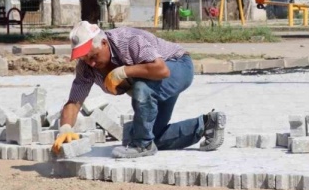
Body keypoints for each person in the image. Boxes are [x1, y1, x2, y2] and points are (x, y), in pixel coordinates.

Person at [51, 21, 226, 159]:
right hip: (152, 83)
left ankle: (142, 145)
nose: (91, 63)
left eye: (93, 57)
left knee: (141, 88)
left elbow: (161, 70)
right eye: (85, 59)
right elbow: (74, 102)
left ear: (104, 43)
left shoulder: (128, 40)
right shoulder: (86, 68)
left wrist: (123, 71)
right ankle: (206, 125)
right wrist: (65, 127)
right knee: (146, 134)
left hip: (177, 67)